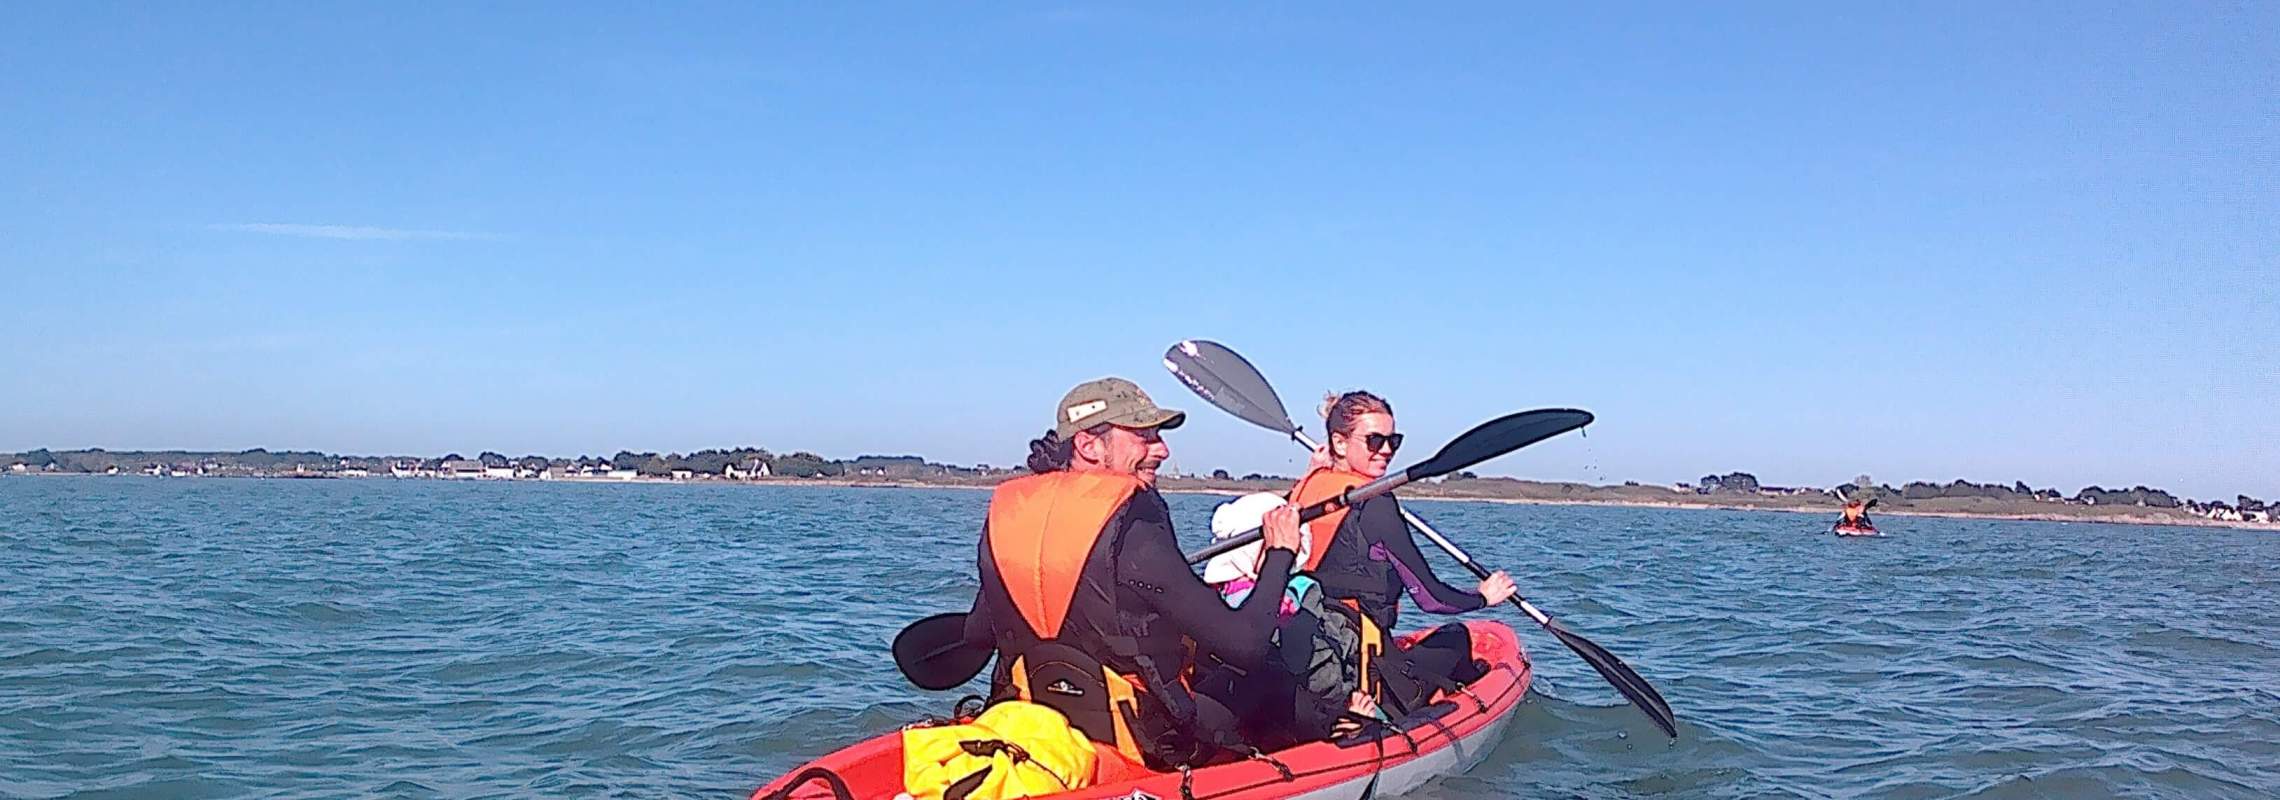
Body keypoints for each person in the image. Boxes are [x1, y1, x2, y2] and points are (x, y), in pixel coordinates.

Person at [959, 377, 1304, 771]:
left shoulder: (1010, 517)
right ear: (1089, 445)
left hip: (1035, 721)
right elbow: (1246, 644)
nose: (1162, 449)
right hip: (1144, 741)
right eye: (1144, 436)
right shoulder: (1134, 528)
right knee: (1268, 674)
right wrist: (1280, 553)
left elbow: (977, 634)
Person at [1283, 390, 1516, 723]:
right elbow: (1431, 598)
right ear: (1339, 443)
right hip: (1361, 673)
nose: (1387, 450)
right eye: (1374, 440)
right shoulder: (1376, 503)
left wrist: (1312, 474)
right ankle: (1430, 710)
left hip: (1308, 653)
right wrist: (1482, 597)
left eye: (1394, 440)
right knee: (1456, 637)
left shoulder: (1306, 485)